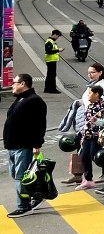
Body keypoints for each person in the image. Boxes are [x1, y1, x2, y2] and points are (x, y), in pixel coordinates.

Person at [4, 73, 47, 218]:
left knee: (21, 177)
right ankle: (36, 195)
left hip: (23, 145)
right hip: (13, 145)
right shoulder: (21, 99)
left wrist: (36, 144)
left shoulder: (34, 101)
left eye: (15, 82)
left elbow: (39, 125)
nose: (12, 85)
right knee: (18, 175)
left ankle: (23, 206)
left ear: (23, 84)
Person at [75, 83, 104, 190]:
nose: (88, 95)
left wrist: (97, 120)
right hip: (88, 135)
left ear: (96, 94)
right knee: (85, 156)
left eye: (90, 93)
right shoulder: (90, 105)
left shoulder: (102, 108)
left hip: (96, 136)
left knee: (95, 155)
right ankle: (88, 180)